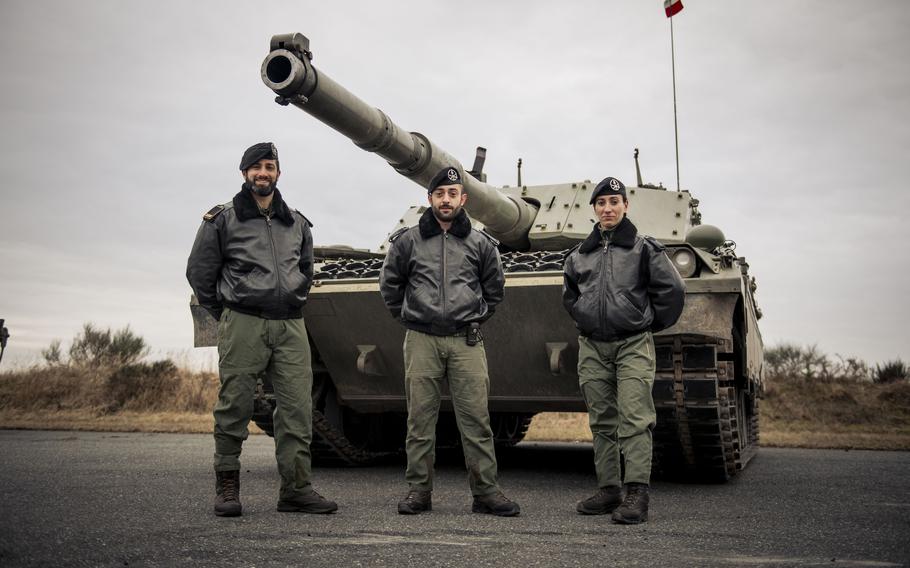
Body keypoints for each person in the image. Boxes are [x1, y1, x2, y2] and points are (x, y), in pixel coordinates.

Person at [186, 142, 337, 517]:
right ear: (244, 174)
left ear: (278, 173)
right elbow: (199, 272)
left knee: (297, 410)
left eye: (269, 166)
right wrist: (227, 311)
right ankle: (227, 486)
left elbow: (305, 269)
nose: (262, 173)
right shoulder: (222, 219)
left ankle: (296, 489)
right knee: (235, 404)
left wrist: (293, 296)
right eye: (255, 167)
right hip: (243, 320)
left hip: (289, 324)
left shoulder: (296, 222)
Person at [379, 166, 520, 517]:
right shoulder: (408, 241)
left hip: (465, 341)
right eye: (439, 193)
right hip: (422, 339)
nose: (446, 199)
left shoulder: (480, 243)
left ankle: (486, 492)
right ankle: (419, 491)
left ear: (463, 199)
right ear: (430, 199)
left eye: (452, 193)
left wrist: (471, 316)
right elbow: (390, 286)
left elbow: (495, 290)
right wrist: (412, 316)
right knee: (420, 421)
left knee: (475, 420)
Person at [562, 176, 685, 524]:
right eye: (601, 203)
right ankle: (609, 489)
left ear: (625, 205)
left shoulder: (643, 248)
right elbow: (571, 296)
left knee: (634, 419)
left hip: (632, 344)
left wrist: (645, 323)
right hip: (593, 345)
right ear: (594, 209)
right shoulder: (580, 255)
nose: (608, 208)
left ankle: (636, 493)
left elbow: (672, 291)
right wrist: (587, 318)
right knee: (602, 421)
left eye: (614, 202)